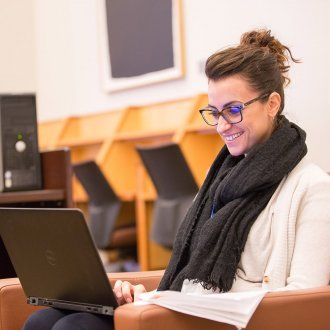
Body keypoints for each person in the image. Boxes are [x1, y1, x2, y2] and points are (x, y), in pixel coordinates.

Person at [23, 29, 330, 329]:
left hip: (222, 320)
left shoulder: (311, 188)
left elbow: (305, 301)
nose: (222, 126)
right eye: (214, 112)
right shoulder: (219, 181)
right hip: (186, 310)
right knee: (45, 320)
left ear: (272, 104)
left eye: (233, 110)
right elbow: (192, 278)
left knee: (75, 326)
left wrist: (170, 304)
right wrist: (148, 297)